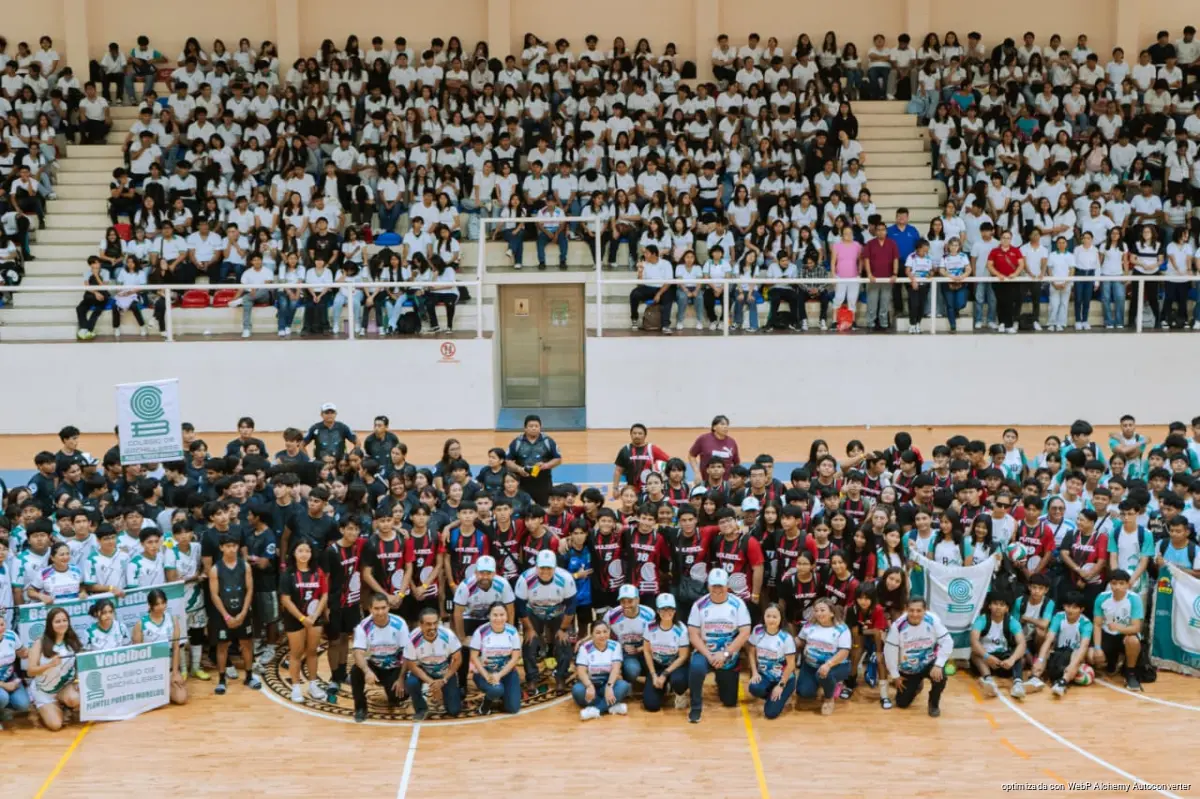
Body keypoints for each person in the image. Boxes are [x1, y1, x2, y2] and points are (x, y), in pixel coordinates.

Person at [686, 568, 751, 723]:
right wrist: (709, 656)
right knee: (696, 668)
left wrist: (726, 654)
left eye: (720, 586)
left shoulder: (738, 604)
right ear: (708, 586)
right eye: (713, 585)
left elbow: (745, 632)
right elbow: (693, 634)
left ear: (727, 585)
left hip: (728, 655)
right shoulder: (699, 605)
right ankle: (696, 707)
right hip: (705, 652)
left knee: (729, 701)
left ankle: (721, 679)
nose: (717, 589)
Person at [514, 549, 576, 694]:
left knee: (564, 642)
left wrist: (563, 629)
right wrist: (529, 629)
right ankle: (531, 678)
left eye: (549, 568)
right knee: (530, 642)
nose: (545, 571)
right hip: (533, 611)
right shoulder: (525, 579)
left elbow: (571, 607)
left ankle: (561, 676)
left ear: (555, 567)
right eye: (542, 568)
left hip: (558, 612)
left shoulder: (566, 579)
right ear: (536, 567)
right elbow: (520, 607)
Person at [208, 534, 261, 695]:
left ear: (238, 547)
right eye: (228, 546)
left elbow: (250, 590)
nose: (231, 549)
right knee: (222, 646)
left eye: (234, 546)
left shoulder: (245, 566)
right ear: (221, 548)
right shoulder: (215, 569)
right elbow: (214, 595)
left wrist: (243, 613)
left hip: (242, 612)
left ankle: (249, 676)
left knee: (246, 644)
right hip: (224, 615)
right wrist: (226, 616)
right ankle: (221, 680)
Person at [883, 597, 952, 717]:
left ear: (925, 610)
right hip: (909, 668)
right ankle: (917, 685)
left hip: (930, 662)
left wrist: (938, 664)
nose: (915, 614)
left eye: (919, 611)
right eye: (911, 610)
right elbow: (889, 651)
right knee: (902, 703)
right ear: (906, 610)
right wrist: (895, 675)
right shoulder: (897, 626)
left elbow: (947, 642)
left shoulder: (933, 620)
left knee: (940, 677)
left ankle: (933, 703)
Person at [278, 539, 327, 703]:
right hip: (295, 619)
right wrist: (301, 618)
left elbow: (324, 595)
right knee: (296, 653)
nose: (304, 554)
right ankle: (296, 687)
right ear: (294, 553)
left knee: (312, 651)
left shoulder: (318, 572)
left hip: (314, 619)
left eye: (307, 551)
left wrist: (315, 615)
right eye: (300, 550)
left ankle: (313, 685)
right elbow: (285, 600)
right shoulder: (288, 574)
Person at [349, 593, 409, 723]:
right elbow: (357, 653)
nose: (380, 612)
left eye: (383, 608)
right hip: (374, 666)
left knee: (399, 696)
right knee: (355, 671)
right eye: (376, 608)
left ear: (389, 607)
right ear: (370, 609)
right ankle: (360, 708)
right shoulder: (363, 626)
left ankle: (393, 693)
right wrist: (367, 671)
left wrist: (401, 678)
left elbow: (407, 654)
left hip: (395, 667)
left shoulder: (400, 624)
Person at [25, 606, 81, 731]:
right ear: (50, 624)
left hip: (63, 687)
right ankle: (42, 707)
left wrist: (78, 682)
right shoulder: (40, 643)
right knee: (55, 725)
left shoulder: (73, 641)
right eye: (57, 621)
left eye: (64, 620)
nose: (62, 624)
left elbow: (79, 665)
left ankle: (63, 705)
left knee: (76, 699)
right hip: (43, 691)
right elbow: (30, 671)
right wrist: (49, 664)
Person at [404, 606, 464, 720]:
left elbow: (458, 659)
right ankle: (421, 709)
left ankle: (455, 693)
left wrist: (444, 680)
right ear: (420, 625)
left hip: (444, 670)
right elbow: (411, 665)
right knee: (411, 683)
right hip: (423, 669)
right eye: (428, 624)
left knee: (454, 711)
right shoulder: (412, 639)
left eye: (435, 623)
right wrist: (432, 683)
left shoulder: (448, 635)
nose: (432, 627)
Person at [131, 587, 188, 705]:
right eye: (157, 604)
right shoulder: (141, 624)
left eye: (163, 603)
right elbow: (138, 654)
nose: (161, 607)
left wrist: (175, 672)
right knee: (152, 703)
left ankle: (167, 686)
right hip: (150, 671)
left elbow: (176, 648)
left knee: (181, 698)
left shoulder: (173, 620)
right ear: (150, 605)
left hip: (168, 668)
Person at [1089, 569, 1144, 691]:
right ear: (1110, 584)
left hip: (1125, 635)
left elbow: (1136, 627)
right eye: (1114, 583)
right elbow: (1097, 625)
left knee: (1133, 641)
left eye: (1121, 583)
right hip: (1107, 635)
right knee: (1091, 656)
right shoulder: (1102, 598)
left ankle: (1130, 673)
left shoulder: (1134, 599)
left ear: (1127, 584)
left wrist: (1118, 628)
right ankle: (1112, 662)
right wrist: (1097, 648)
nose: (1117, 587)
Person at [1032, 591, 1093, 697]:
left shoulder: (1086, 623)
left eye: (1074, 607)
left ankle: (1062, 682)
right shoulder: (1059, 617)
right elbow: (1048, 640)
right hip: (1059, 652)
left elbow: (1084, 646)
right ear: (1064, 606)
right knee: (1045, 651)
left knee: (1077, 654)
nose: (1070, 610)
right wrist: (1040, 660)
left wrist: (1073, 665)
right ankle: (1035, 677)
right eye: (1068, 606)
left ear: (1081, 609)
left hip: (1074, 655)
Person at [795, 598, 851, 715]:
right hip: (810, 665)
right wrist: (790, 643)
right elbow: (801, 640)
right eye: (816, 610)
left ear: (832, 613)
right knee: (804, 693)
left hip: (835, 666)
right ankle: (824, 684)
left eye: (822, 610)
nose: (819, 613)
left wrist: (828, 664)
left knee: (824, 674)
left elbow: (844, 651)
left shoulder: (842, 628)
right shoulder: (809, 625)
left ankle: (829, 698)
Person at [970, 591, 1028, 699]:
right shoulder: (982, 619)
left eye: (1002, 605)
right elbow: (974, 641)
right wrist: (987, 656)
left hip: (1003, 659)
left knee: (1019, 656)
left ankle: (1018, 684)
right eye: (995, 604)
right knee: (974, 654)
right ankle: (988, 680)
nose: (998, 607)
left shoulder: (1012, 621)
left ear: (1007, 608)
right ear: (989, 606)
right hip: (986, 658)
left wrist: (1011, 660)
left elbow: (1022, 643)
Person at [469, 602, 523, 715]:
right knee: (496, 690)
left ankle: (504, 694)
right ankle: (487, 702)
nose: (498, 618)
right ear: (489, 616)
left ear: (507, 616)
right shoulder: (481, 632)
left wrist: (499, 675)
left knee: (513, 708)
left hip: (507, 672)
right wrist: (486, 676)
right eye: (495, 615)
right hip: (485, 672)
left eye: (502, 615)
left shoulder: (513, 632)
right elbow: (474, 656)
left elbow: (515, 658)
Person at [746, 602, 797, 719]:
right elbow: (751, 651)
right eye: (768, 616)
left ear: (780, 618)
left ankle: (783, 694)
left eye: (774, 617)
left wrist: (781, 686)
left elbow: (791, 665)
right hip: (766, 676)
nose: (771, 620)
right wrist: (754, 672)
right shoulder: (758, 630)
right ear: (764, 617)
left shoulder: (786, 638)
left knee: (770, 713)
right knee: (754, 687)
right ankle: (774, 696)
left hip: (784, 679)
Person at [572, 619, 630, 720]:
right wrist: (589, 686)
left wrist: (609, 686)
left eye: (605, 631)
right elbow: (581, 670)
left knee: (624, 686)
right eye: (598, 632)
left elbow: (616, 668)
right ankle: (612, 706)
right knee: (577, 690)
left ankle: (596, 710)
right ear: (592, 634)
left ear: (609, 632)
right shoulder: (585, 647)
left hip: (607, 683)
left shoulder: (615, 646)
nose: (602, 635)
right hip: (591, 683)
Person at [642, 592, 690, 712]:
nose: (666, 612)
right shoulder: (650, 627)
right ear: (658, 611)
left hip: (675, 666)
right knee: (651, 705)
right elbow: (647, 651)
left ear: (675, 610)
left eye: (670, 609)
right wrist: (654, 675)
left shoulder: (681, 629)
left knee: (678, 681)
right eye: (663, 609)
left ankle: (679, 693)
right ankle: (665, 687)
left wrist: (665, 674)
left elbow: (683, 656)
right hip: (657, 666)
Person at [506, 414, 562, 507]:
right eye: (531, 426)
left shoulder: (548, 441)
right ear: (525, 428)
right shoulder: (517, 442)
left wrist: (546, 465)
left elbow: (558, 459)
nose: (534, 428)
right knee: (523, 508)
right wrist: (519, 469)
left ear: (540, 427)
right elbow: (508, 461)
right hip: (523, 482)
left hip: (543, 482)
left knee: (544, 507)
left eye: (536, 426)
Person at [607, 584, 655, 683]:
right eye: (622, 601)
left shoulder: (649, 614)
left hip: (646, 647)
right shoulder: (611, 616)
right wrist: (620, 647)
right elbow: (605, 638)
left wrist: (640, 649)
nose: (626, 605)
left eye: (630, 601)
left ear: (638, 600)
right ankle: (628, 678)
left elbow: (656, 638)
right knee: (632, 671)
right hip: (625, 650)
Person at [0, 613, 31, 726]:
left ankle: (4, 709)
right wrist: (5, 685)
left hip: (10, 677)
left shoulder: (11, 635)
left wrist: (26, 652)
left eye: (2, 624)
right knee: (2, 697)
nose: (0, 628)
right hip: (2, 683)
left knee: (23, 705)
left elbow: (21, 652)